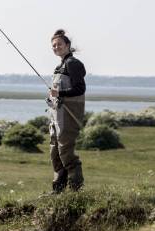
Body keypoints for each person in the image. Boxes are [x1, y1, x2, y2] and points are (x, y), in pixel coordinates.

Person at [48, 29, 86, 193]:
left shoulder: (73, 63)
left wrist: (60, 93)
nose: (56, 47)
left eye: (59, 44)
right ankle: (58, 190)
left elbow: (80, 88)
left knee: (66, 152)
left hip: (69, 116)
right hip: (56, 115)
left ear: (68, 45)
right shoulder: (59, 66)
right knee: (55, 152)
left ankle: (76, 190)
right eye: (54, 45)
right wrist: (52, 98)